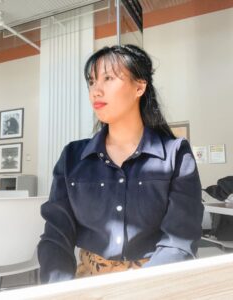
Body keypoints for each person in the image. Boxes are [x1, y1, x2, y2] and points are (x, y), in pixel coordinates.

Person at [38, 44, 204, 284]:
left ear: (140, 86)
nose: (96, 90)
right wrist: (59, 289)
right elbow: (56, 235)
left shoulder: (176, 153)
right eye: (92, 81)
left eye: (108, 78)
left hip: (157, 281)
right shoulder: (73, 156)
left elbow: (179, 239)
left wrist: (140, 290)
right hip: (89, 281)